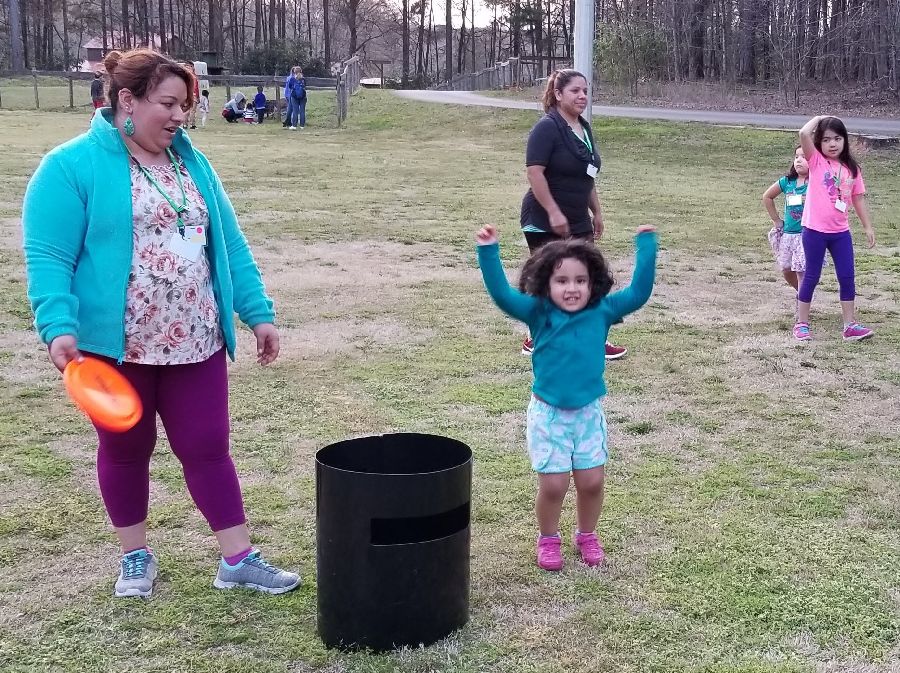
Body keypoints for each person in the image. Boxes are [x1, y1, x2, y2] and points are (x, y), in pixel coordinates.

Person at [21, 48, 301, 598]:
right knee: (126, 449)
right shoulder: (70, 166)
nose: (180, 116)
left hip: (195, 338)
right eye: (168, 104)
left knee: (208, 445)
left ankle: (238, 559)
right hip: (113, 346)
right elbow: (48, 257)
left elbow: (229, 245)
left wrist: (257, 312)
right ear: (127, 100)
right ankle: (134, 557)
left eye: (186, 106)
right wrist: (58, 327)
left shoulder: (191, 163)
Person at [475, 223, 657, 570]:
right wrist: (489, 251)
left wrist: (646, 246)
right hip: (548, 415)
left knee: (592, 481)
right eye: (561, 281)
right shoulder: (538, 313)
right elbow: (502, 295)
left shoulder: (601, 311)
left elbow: (638, 293)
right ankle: (548, 539)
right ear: (546, 283)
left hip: (587, 413)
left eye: (580, 280)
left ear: (593, 284)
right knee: (555, 485)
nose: (571, 288)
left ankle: (587, 534)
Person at [520, 69, 626, 360]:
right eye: (575, 91)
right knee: (548, 280)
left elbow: (586, 175)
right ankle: (535, 337)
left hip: (578, 217)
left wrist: (597, 212)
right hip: (543, 218)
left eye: (585, 91)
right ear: (558, 94)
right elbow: (534, 173)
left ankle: (594, 338)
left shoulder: (583, 127)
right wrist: (553, 212)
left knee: (592, 277)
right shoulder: (547, 128)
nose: (582, 96)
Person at [795, 115, 876, 342]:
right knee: (811, 275)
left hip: (840, 233)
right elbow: (803, 134)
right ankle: (802, 324)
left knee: (847, 276)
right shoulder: (816, 161)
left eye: (837, 138)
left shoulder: (852, 169)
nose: (832, 144)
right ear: (819, 143)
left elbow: (858, 199)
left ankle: (849, 325)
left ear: (845, 140)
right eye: (827, 139)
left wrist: (867, 227)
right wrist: (820, 118)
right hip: (814, 231)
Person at [762, 146, 808, 296]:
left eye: (804, 157)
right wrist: (776, 220)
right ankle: (804, 294)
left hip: (806, 234)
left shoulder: (815, 183)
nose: (799, 160)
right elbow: (767, 197)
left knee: (801, 269)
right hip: (788, 234)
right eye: (796, 157)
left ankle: (802, 301)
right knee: (786, 269)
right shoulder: (787, 182)